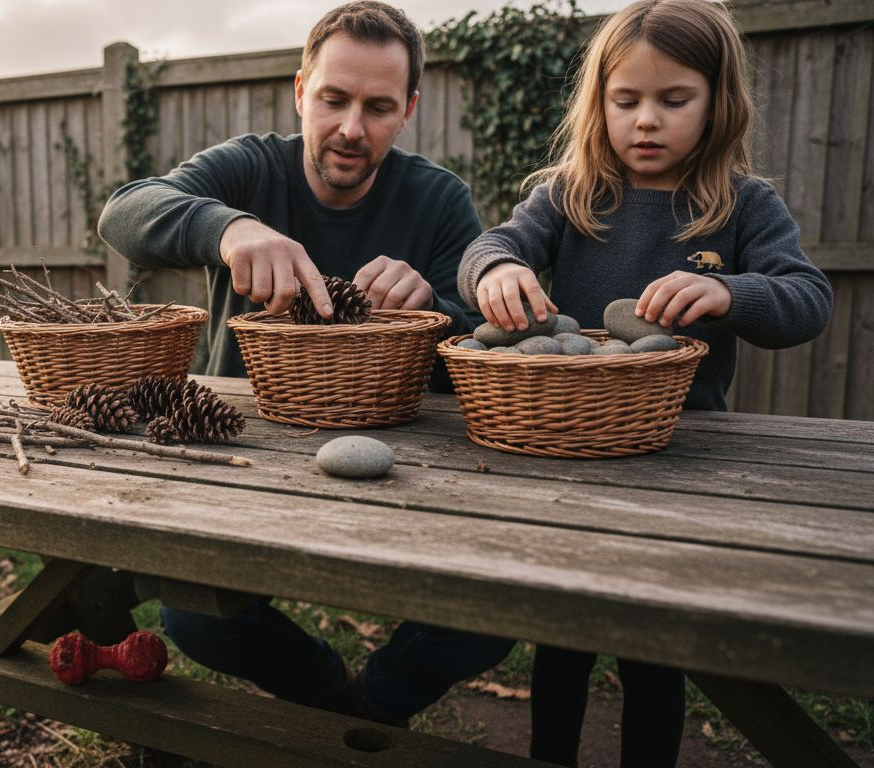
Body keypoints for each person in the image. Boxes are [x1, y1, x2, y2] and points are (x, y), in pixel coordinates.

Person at [98, 0, 513, 727]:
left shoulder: (440, 200)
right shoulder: (250, 168)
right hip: (248, 452)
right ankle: (331, 697)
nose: (352, 128)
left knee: (493, 615)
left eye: (379, 107)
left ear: (409, 108)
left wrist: (438, 308)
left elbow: (482, 342)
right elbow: (125, 213)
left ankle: (375, 706)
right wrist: (228, 228)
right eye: (334, 99)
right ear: (301, 91)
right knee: (195, 616)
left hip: (410, 460)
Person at [455, 0, 833, 764]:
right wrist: (496, 268)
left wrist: (734, 294)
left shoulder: (743, 205)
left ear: (718, 101)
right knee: (563, 641)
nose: (646, 121)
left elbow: (808, 300)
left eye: (674, 99)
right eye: (626, 101)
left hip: (680, 462)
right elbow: (489, 245)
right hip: (569, 458)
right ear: (600, 104)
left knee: (653, 647)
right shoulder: (571, 193)